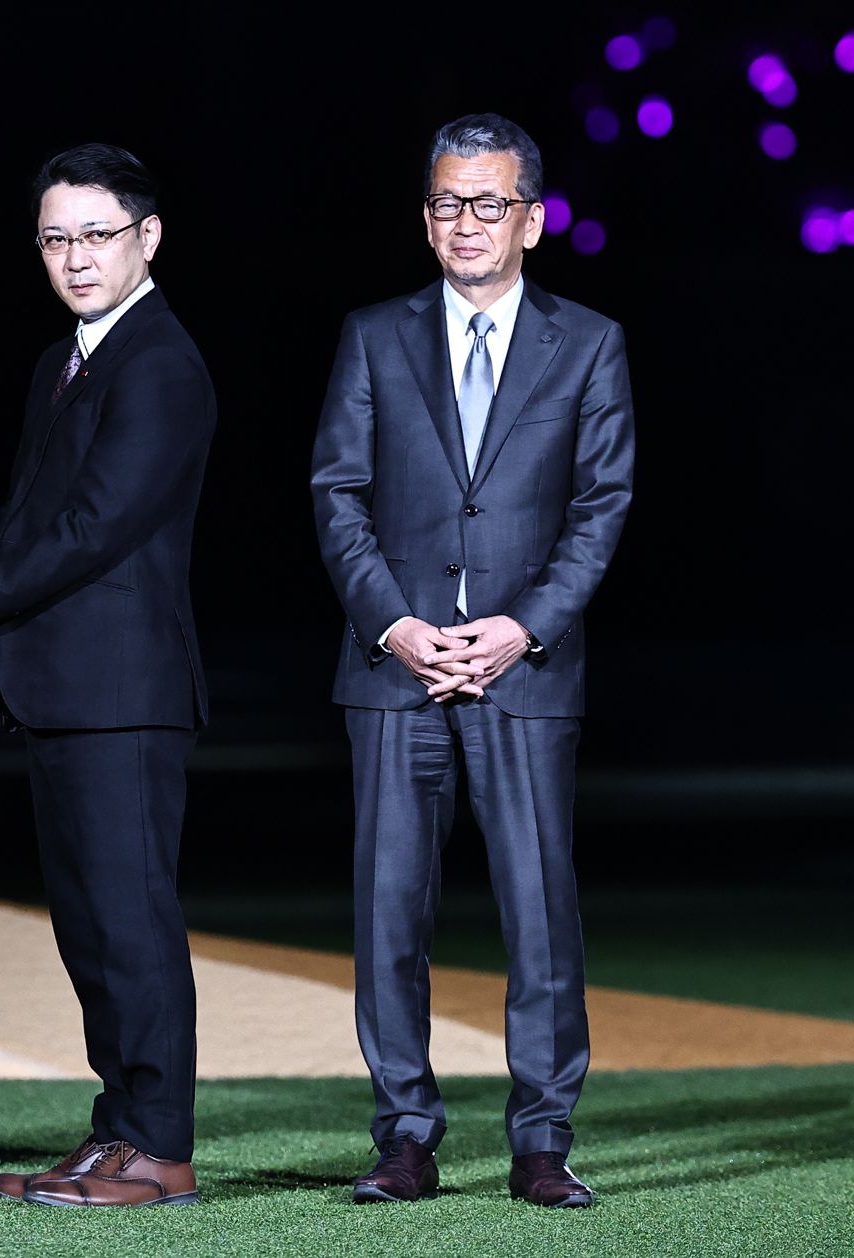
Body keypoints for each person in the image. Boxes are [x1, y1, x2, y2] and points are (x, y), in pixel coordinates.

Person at [0, 143, 216, 1208]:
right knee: (91, 927)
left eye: (97, 234)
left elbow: (98, 527)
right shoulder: (69, 359)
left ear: (149, 238)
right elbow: (41, 518)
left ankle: (159, 1148)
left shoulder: (159, 362)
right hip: (67, 689)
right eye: (55, 238)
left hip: (122, 694)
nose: (75, 257)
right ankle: (118, 1131)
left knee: (131, 921)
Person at [310, 113, 634, 1209]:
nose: (466, 223)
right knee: (387, 913)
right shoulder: (373, 334)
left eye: (489, 204)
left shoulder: (589, 342)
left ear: (531, 221)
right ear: (425, 216)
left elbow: (601, 507)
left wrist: (520, 628)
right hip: (393, 671)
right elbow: (336, 494)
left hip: (523, 673)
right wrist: (395, 626)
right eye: (448, 203)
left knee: (539, 914)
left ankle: (541, 1141)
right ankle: (404, 1135)